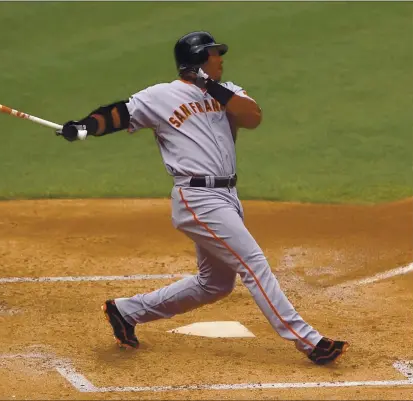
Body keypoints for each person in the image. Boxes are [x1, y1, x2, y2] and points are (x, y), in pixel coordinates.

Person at [56, 31, 349, 365]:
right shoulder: (162, 95)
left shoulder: (228, 92)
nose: (221, 58)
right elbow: (118, 114)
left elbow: (252, 116)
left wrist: (209, 84)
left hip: (227, 196)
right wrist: (81, 128)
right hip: (197, 196)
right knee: (253, 264)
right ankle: (309, 342)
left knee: (215, 284)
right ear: (199, 58)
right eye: (215, 54)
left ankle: (126, 311)